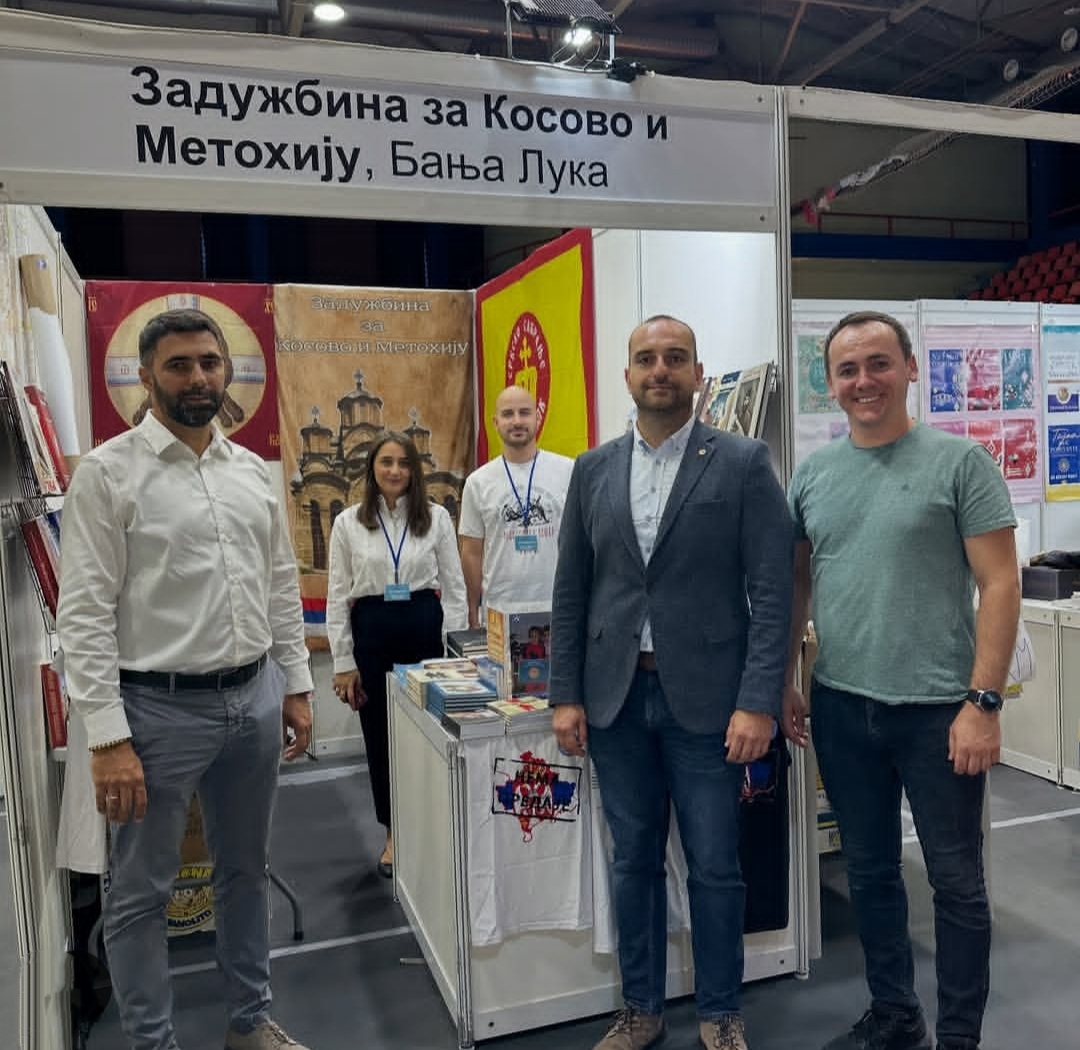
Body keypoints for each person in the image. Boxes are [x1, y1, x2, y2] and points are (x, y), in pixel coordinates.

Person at [56, 308, 314, 1050]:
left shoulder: (252, 472)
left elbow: (279, 584)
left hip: (253, 699)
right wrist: (108, 737)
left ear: (225, 370)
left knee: (246, 872)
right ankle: (153, 1042)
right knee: (141, 894)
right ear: (146, 377)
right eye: (178, 365)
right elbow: (84, 614)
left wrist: (296, 685)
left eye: (209, 362)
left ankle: (250, 1024)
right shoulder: (109, 474)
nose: (198, 378)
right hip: (154, 713)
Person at [550, 314, 794, 1050]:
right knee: (633, 861)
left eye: (675, 358)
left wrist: (758, 701)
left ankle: (720, 1012)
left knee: (716, 865)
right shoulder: (592, 469)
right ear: (627, 375)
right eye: (647, 358)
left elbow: (772, 591)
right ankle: (642, 1010)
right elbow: (572, 590)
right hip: (617, 701)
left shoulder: (743, 462)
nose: (661, 369)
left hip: (711, 705)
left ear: (697, 374)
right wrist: (566, 693)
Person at [783, 311, 1019, 1050]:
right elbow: (797, 584)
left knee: (956, 883)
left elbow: (1002, 583)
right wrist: (788, 678)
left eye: (879, 364)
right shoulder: (813, 475)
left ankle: (959, 1038)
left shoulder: (961, 463)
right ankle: (895, 1015)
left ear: (910, 368)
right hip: (842, 706)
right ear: (830, 383)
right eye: (848, 369)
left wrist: (983, 703)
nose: (864, 381)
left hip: (940, 712)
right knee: (871, 872)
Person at [326, 431, 467, 878]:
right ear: (372, 468)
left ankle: (433, 826)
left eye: (404, 463)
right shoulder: (348, 522)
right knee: (381, 737)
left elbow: (455, 588)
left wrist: (455, 653)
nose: (395, 471)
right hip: (372, 633)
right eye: (386, 462)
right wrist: (343, 662)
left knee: (431, 734)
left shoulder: (436, 518)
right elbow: (337, 595)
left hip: (424, 630)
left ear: (414, 470)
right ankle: (393, 834)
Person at [458, 384, 574, 628]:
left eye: (525, 412)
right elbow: (471, 551)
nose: (517, 421)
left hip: (558, 607)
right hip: (500, 610)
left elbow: (582, 543)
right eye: (508, 414)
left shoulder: (569, 471)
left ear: (538, 417)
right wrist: (471, 607)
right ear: (495, 422)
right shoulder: (477, 482)